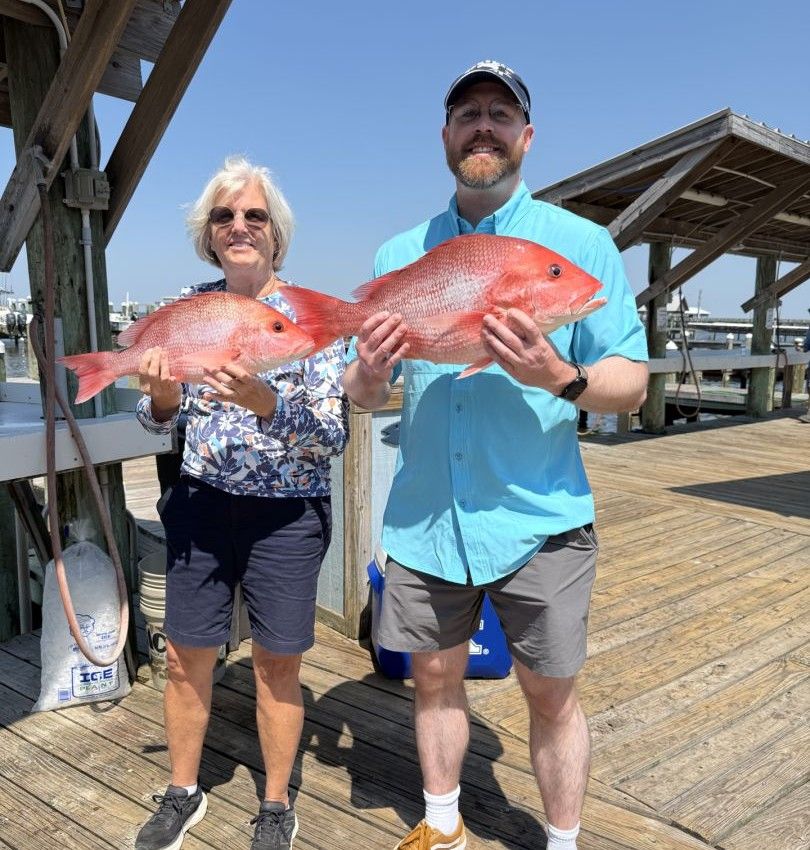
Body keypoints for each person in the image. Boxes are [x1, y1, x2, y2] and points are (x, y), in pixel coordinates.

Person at [343, 60, 649, 850]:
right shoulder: (399, 254)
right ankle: (441, 824)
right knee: (435, 681)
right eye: (468, 113)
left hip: (537, 517)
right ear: (446, 135)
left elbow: (632, 381)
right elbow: (363, 396)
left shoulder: (580, 247)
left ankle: (562, 840)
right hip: (426, 518)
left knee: (550, 695)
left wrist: (563, 376)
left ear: (526, 136)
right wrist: (369, 371)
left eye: (500, 113)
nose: (484, 125)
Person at [134, 156, 349, 850]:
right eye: (225, 216)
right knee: (184, 655)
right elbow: (154, 417)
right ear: (209, 233)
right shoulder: (187, 306)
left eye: (254, 215)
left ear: (275, 231)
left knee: (275, 664)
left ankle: (278, 803)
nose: (239, 226)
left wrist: (268, 404)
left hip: (286, 518)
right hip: (200, 506)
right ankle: (182, 790)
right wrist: (161, 400)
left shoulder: (310, 317)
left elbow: (333, 434)